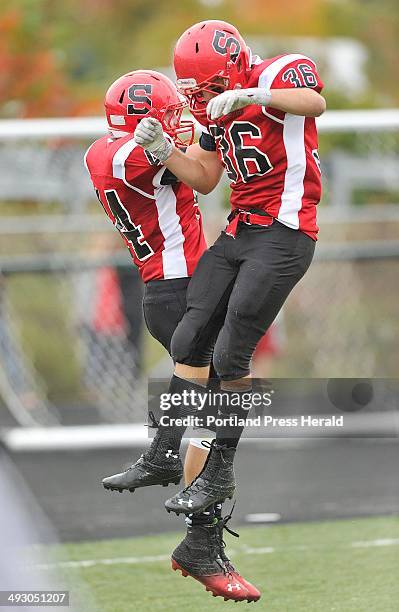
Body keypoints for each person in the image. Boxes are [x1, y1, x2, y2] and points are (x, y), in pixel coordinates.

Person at [133, 19, 325, 600]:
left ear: (237, 65)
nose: (202, 98)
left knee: (233, 348)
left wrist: (255, 95)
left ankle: (215, 473)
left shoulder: (275, 73)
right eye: (195, 89)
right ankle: (166, 453)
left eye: (210, 86)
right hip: (241, 230)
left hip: (285, 231)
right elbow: (208, 178)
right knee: (191, 336)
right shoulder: (216, 107)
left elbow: (314, 99)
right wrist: (168, 151)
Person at [85, 69, 256, 602]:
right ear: (144, 123)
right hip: (179, 292)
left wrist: (175, 133)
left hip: (171, 292)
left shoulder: (109, 151)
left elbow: (160, 154)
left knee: (219, 411)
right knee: (226, 405)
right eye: (168, 115)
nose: (177, 122)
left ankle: (197, 533)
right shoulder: (125, 157)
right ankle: (198, 536)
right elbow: (197, 173)